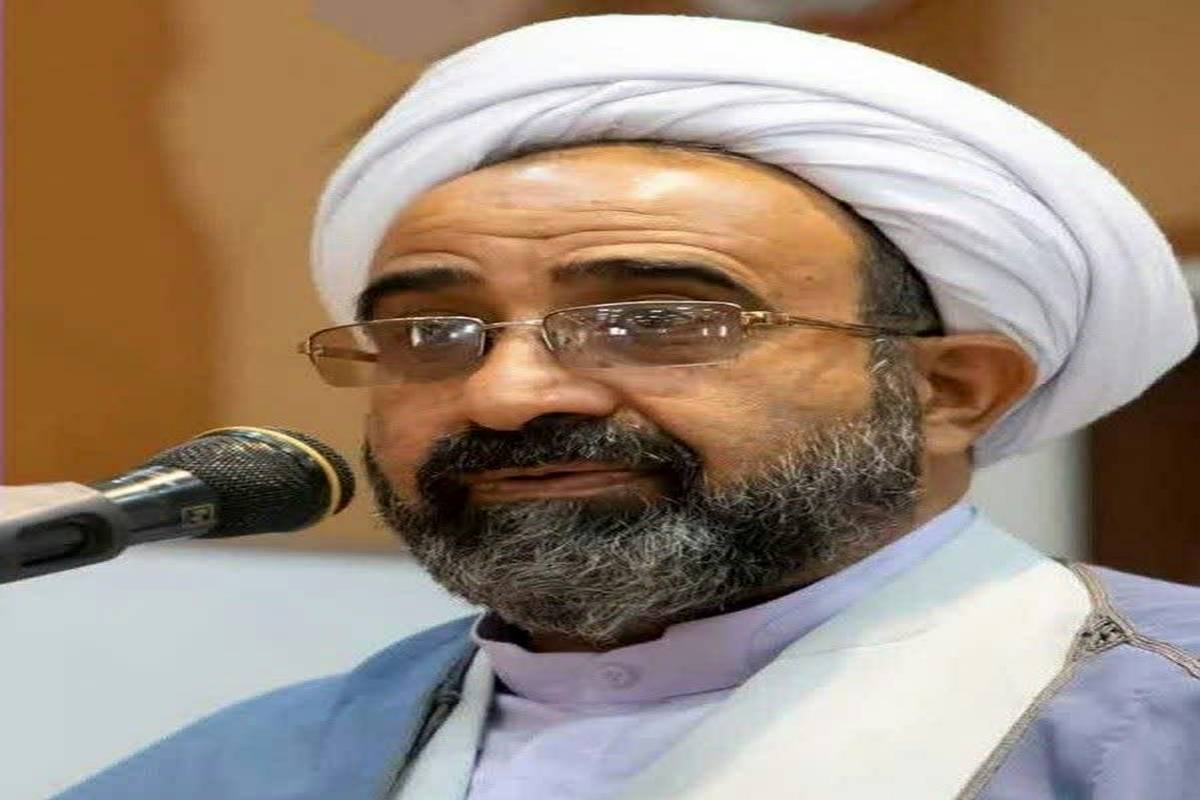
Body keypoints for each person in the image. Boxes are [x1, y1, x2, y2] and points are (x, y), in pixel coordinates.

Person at [60, 14, 1199, 800]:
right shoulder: (233, 769)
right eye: (430, 334)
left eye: (655, 319)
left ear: (948, 390)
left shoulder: (1164, 723)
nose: (507, 394)